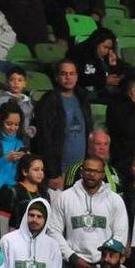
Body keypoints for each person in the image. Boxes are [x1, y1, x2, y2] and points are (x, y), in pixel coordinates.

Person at [32, 62, 92, 190]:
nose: (68, 77)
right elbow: (45, 140)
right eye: (64, 74)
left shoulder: (82, 98)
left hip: (82, 171)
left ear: (77, 76)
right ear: (56, 77)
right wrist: (52, 173)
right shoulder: (49, 101)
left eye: (72, 74)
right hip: (59, 173)